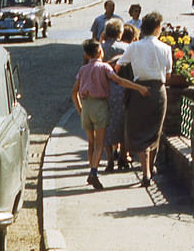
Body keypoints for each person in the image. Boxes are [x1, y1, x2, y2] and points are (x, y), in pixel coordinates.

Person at [72, 38, 149, 190]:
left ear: (86, 55)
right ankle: (93, 173)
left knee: (91, 142)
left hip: (86, 106)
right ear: (100, 51)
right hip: (100, 105)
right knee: (100, 143)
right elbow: (119, 81)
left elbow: (74, 92)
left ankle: (91, 168)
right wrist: (138, 87)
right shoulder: (104, 67)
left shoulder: (82, 70)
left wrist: (80, 109)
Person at [116, 12, 172, 188]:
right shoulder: (165, 48)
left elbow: (118, 67)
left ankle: (146, 171)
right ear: (156, 28)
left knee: (139, 129)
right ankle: (151, 167)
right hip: (158, 90)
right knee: (155, 128)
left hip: (139, 90)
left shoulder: (133, 47)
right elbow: (168, 75)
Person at [101, 20, 130, 172]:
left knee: (106, 124)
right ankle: (123, 157)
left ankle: (110, 158)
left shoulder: (101, 48)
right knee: (122, 123)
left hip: (104, 90)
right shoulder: (126, 48)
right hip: (122, 88)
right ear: (120, 32)